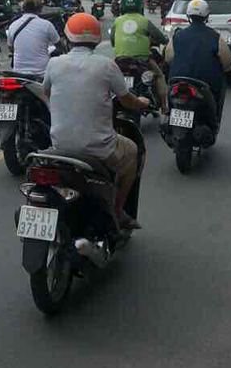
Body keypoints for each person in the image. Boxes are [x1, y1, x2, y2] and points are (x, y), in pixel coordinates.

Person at [43, 13, 153, 229]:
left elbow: (47, 92)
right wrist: (142, 102)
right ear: (96, 39)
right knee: (132, 151)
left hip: (59, 146)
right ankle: (118, 211)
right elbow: (127, 100)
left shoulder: (54, 63)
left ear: (67, 38)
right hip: (98, 148)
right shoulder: (107, 66)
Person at [165, 0, 231, 126]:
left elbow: (168, 58)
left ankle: (168, 114)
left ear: (188, 15)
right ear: (207, 16)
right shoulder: (215, 37)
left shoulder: (177, 35)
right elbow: (227, 63)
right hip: (206, 84)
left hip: (177, 80)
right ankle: (214, 120)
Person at [111, 0, 169, 113]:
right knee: (159, 75)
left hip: (120, 61)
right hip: (142, 61)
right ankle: (164, 107)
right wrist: (164, 40)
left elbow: (112, 41)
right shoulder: (144, 21)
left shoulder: (117, 21)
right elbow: (161, 38)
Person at [7, 0, 62, 76]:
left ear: (23, 7)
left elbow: (11, 48)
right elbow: (59, 46)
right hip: (42, 73)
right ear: (40, 8)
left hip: (18, 73)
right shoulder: (47, 25)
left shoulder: (13, 25)